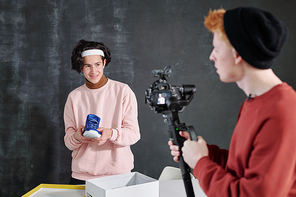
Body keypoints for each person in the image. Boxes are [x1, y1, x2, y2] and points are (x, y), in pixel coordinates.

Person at [169, 7, 296, 196]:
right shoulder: (254, 102)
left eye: (217, 48)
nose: (211, 56)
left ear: (237, 54)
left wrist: (200, 163)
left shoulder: (282, 111)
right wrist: (206, 153)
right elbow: (246, 169)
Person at [64, 39, 140, 184]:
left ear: (104, 63)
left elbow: (133, 134)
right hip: (82, 176)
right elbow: (68, 141)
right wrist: (77, 136)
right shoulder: (74, 97)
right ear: (81, 67)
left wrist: (110, 133)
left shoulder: (123, 91)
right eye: (87, 66)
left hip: (118, 176)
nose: (94, 71)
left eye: (97, 64)